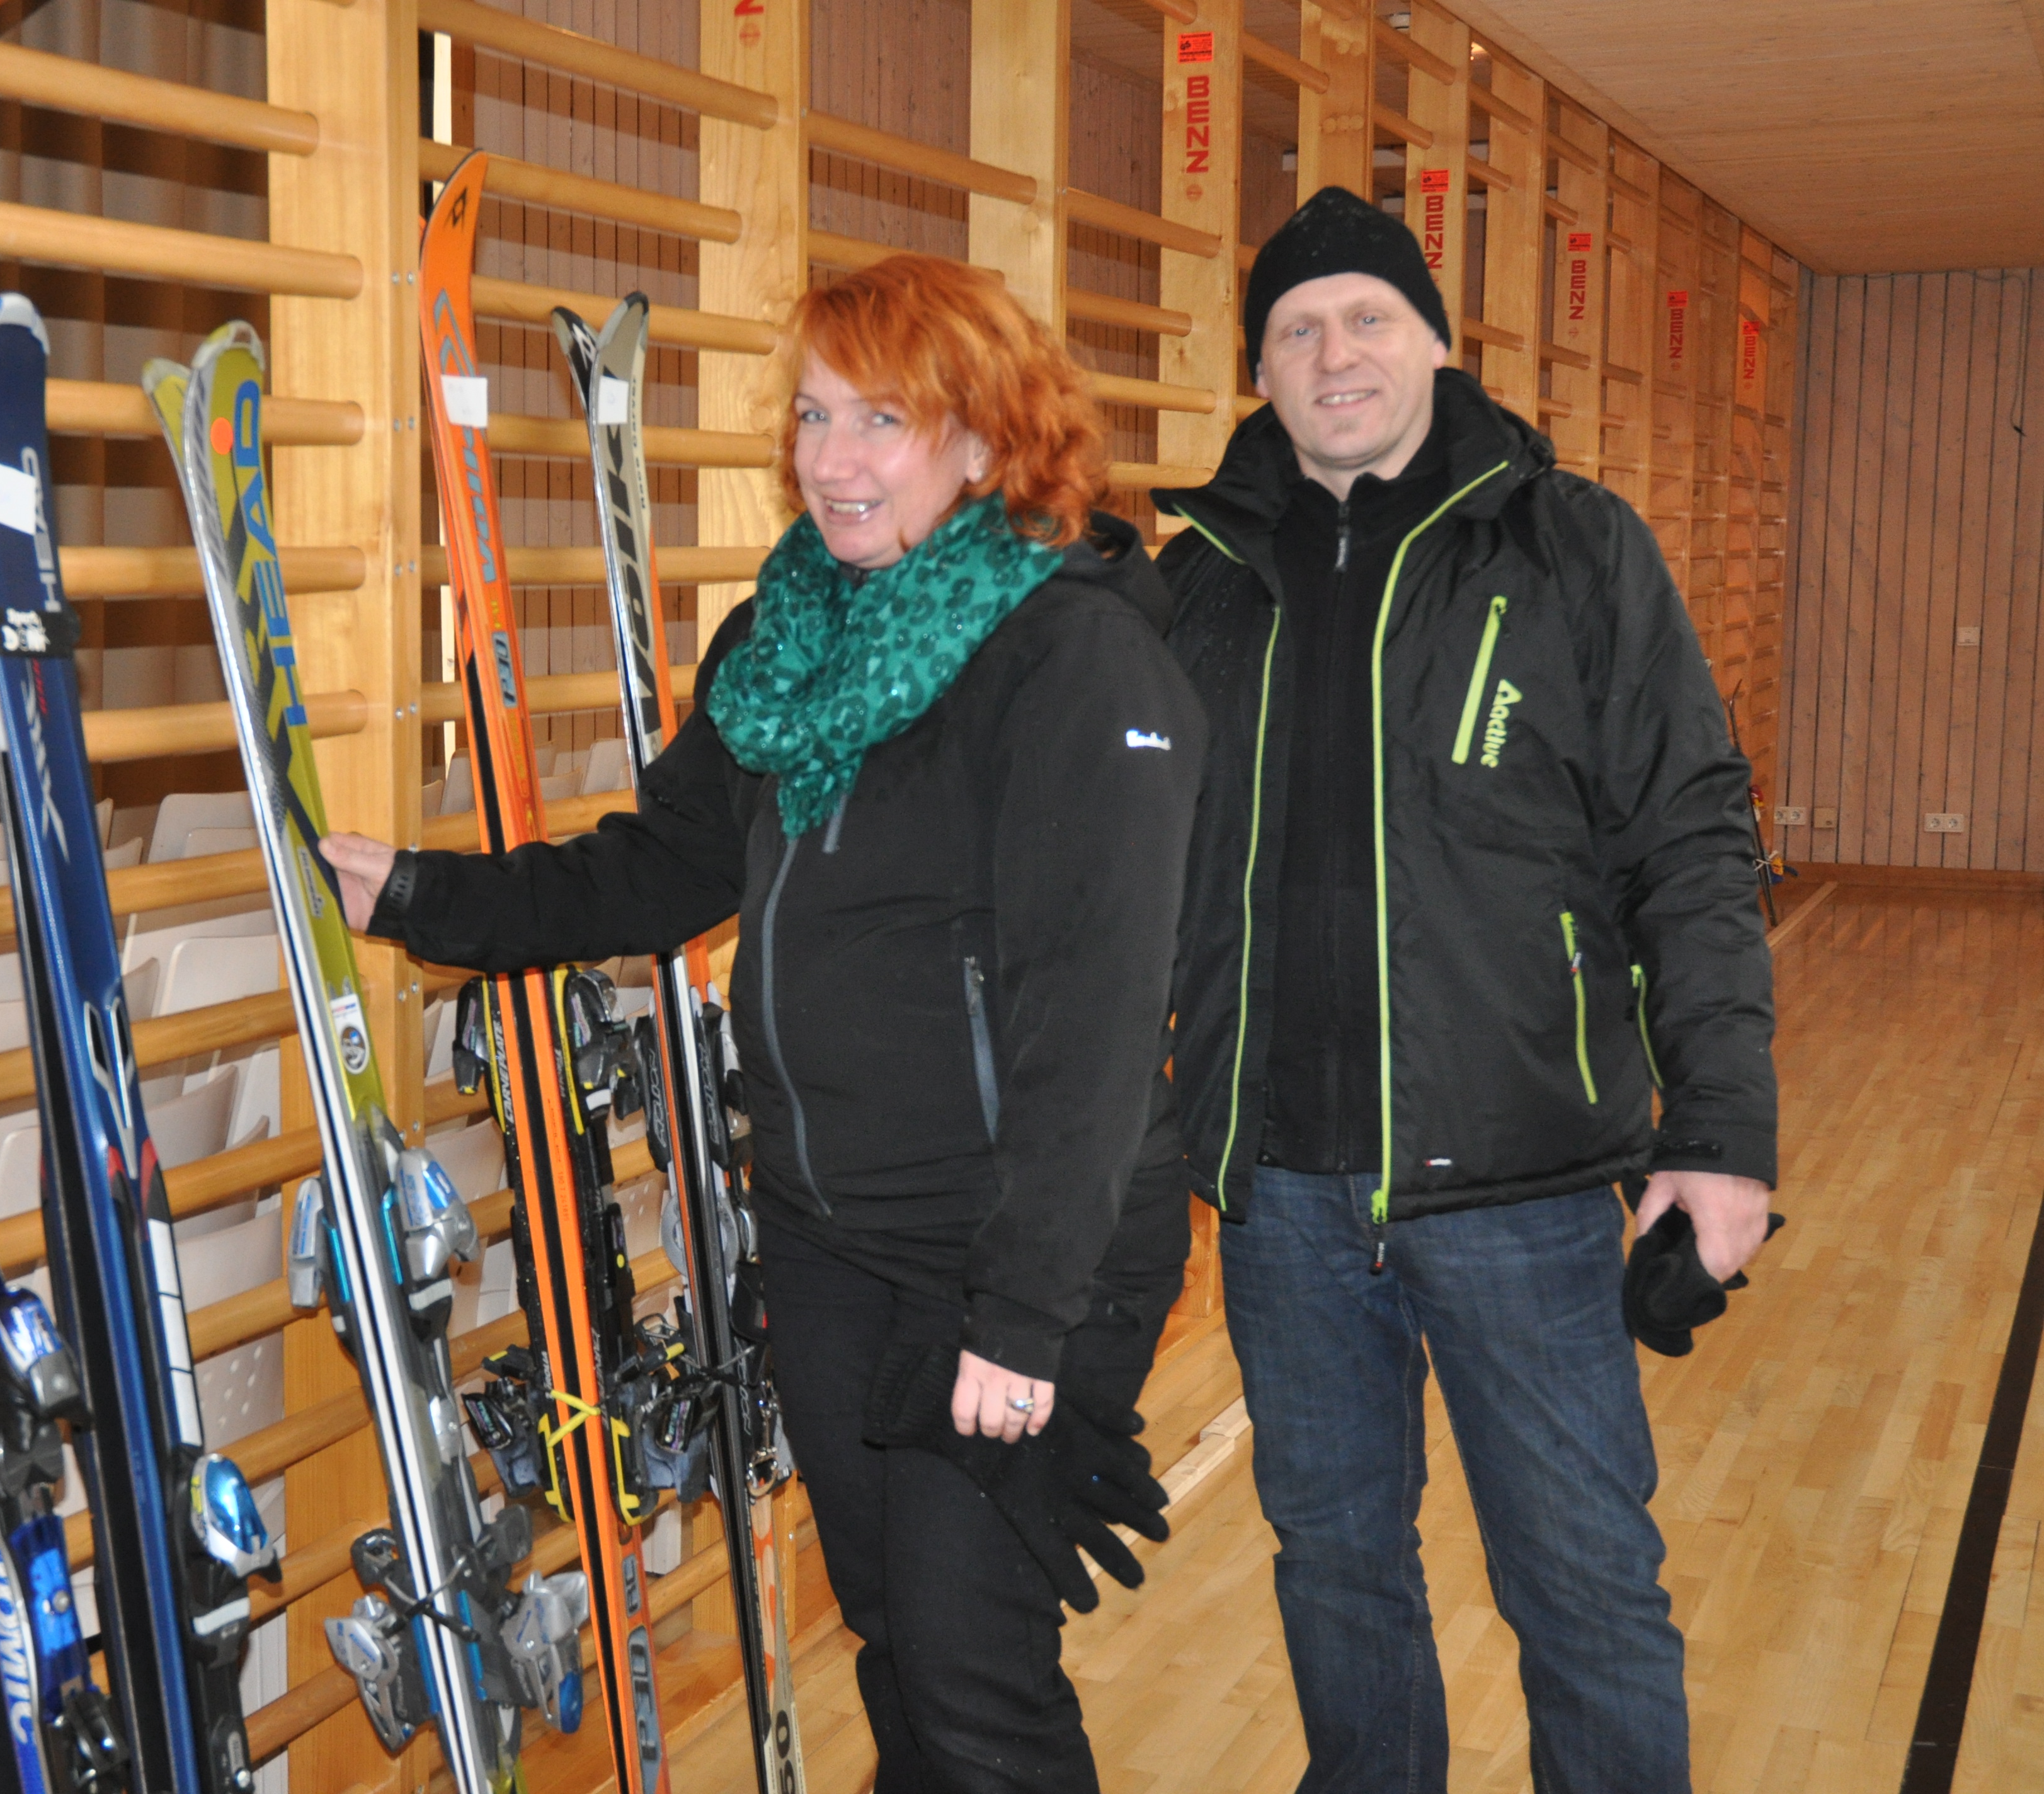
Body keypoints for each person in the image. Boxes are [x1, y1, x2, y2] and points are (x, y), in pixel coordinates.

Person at [322, 253, 1206, 1793]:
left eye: (881, 419)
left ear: (982, 440)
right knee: (893, 1637)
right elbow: (661, 866)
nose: (831, 457)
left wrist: (1021, 1318)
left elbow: (1096, 1016)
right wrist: (421, 894)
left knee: (972, 1666)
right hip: (827, 1233)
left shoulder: (1073, 653)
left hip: (1013, 1246)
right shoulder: (781, 640)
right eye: (810, 415)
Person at [1148, 185, 1778, 1792]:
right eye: (1294, 329)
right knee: (1334, 1574)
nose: (1333, 354)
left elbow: (1690, 838)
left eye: (1367, 317)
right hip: (1283, 1197)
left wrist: (1718, 1130)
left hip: (1521, 1182)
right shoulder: (1197, 581)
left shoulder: (1568, 549)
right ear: (1255, 370)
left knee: (1582, 1587)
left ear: (1435, 340)